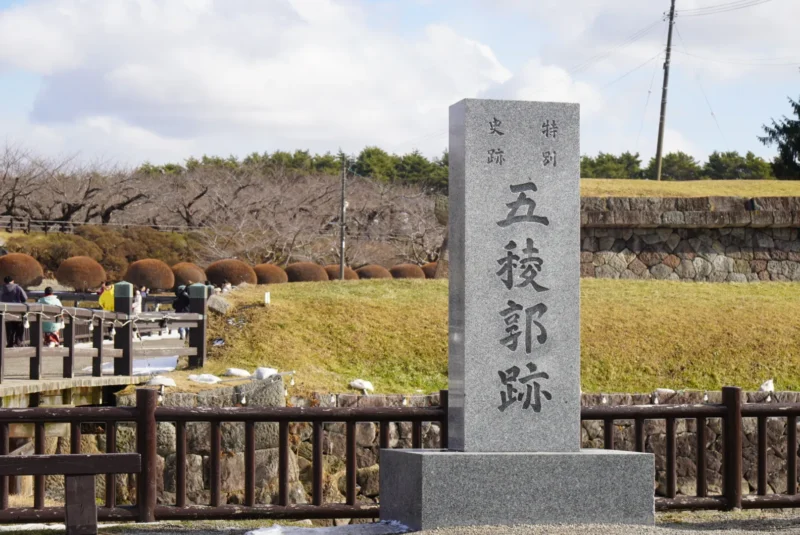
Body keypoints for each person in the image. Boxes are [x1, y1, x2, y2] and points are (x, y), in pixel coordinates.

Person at [1, 275, 28, 347]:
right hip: (18, 310)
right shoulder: (17, 288)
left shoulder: (2, 289)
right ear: (12, 281)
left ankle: (10, 343)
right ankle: (18, 342)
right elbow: (24, 298)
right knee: (19, 327)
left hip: (7, 311)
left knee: (9, 328)